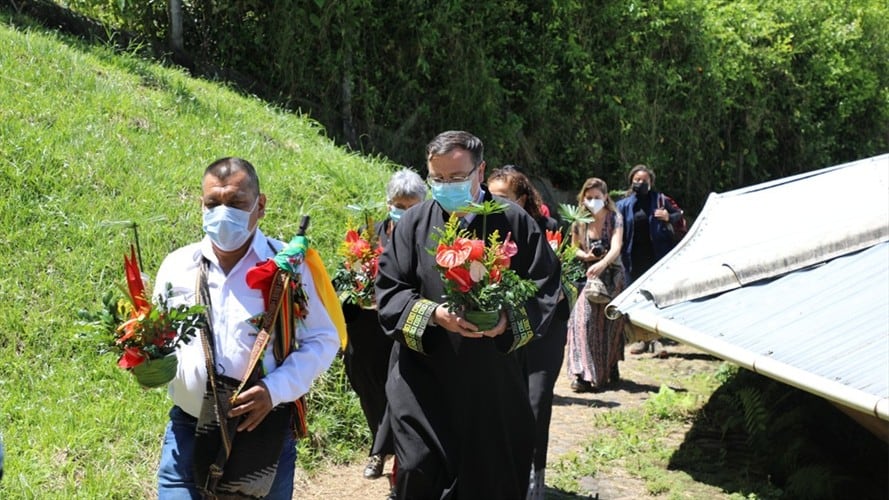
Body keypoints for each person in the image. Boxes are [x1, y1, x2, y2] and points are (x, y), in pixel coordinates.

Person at [375, 131, 560, 499]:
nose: (447, 187)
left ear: (481, 171)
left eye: (457, 178)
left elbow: (544, 288)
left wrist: (508, 321)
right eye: (438, 179)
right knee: (418, 471)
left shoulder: (515, 222)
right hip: (423, 380)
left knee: (490, 479)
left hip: (491, 384)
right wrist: (432, 314)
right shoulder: (412, 224)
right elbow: (390, 290)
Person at [153, 157, 341, 498]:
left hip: (261, 434)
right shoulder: (177, 265)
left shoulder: (288, 267)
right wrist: (147, 361)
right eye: (214, 203)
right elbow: (156, 337)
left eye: (236, 203)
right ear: (202, 205)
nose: (223, 212)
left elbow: (323, 339)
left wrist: (275, 389)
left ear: (260, 205)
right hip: (188, 429)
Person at [487, 165, 569, 499]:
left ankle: (535, 475)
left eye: (503, 198)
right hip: (503, 334)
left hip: (545, 330)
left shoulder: (548, 230)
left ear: (522, 198)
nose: (494, 205)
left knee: (536, 402)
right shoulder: (483, 233)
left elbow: (565, 281)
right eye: (490, 197)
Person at [341, 168, 426, 480]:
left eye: (410, 205)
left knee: (399, 390)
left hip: (403, 329)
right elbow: (346, 275)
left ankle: (385, 457)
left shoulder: (429, 236)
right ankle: (381, 444)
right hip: (366, 329)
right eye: (397, 205)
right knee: (369, 388)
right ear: (388, 203)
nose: (402, 212)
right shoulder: (369, 234)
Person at [615, 164, 685, 357]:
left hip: (657, 258)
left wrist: (668, 216)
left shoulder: (660, 199)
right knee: (635, 299)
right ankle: (641, 339)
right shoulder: (623, 205)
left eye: (644, 180)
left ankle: (657, 339)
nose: (640, 183)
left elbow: (680, 216)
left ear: (651, 182)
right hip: (631, 260)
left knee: (656, 298)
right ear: (631, 182)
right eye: (636, 180)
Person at [566, 177, 626, 393]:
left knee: (610, 325)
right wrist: (587, 256)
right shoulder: (579, 220)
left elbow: (616, 246)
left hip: (613, 276)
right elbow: (573, 248)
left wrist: (602, 263)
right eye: (588, 197)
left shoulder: (614, 217)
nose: (592, 201)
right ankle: (582, 373)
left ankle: (610, 365)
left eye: (597, 197)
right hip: (590, 277)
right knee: (581, 321)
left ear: (605, 197)